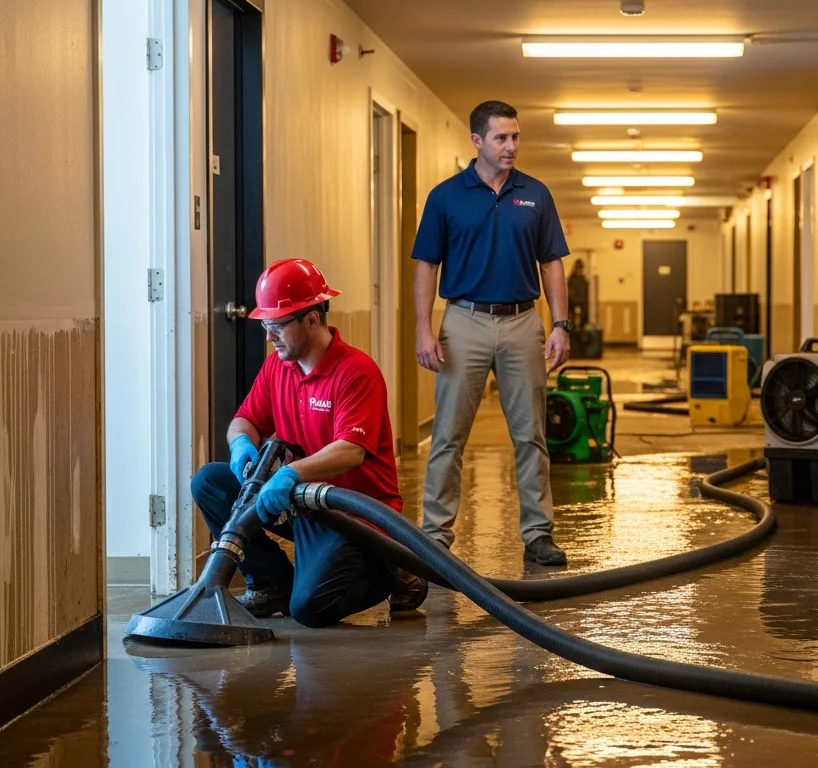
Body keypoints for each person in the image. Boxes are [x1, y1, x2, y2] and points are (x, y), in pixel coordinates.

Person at [191, 257, 429, 626]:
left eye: (276, 326)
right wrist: (241, 445)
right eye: (266, 325)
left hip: (354, 516)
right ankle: (271, 583)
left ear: (312, 319)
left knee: (311, 610)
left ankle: (392, 569)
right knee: (209, 481)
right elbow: (246, 419)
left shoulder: (356, 372)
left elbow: (350, 450)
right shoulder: (277, 366)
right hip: (301, 505)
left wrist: (289, 475)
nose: (269, 336)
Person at [411, 100, 573, 565]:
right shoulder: (445, 196)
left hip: (524, 322)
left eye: (516, 137)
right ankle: (435, 536)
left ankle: (538, 533)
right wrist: (425, 329)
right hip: (464, 322)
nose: (511, 146)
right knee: (448, 435)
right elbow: (426, 264)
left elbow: (552, 264)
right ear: (477, 141)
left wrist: (560, 324)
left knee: (530, 435)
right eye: (501, 138)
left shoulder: (535, 194)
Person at [567, 259, 590, 330]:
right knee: (573, 324)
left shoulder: (584, 280)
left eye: (580, 268)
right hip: (573, 305)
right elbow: (571, 293)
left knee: (581, 324)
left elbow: (585, 294)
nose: (579, 270)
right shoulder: (572, 279)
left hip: (581, 305)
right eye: (578, 268)